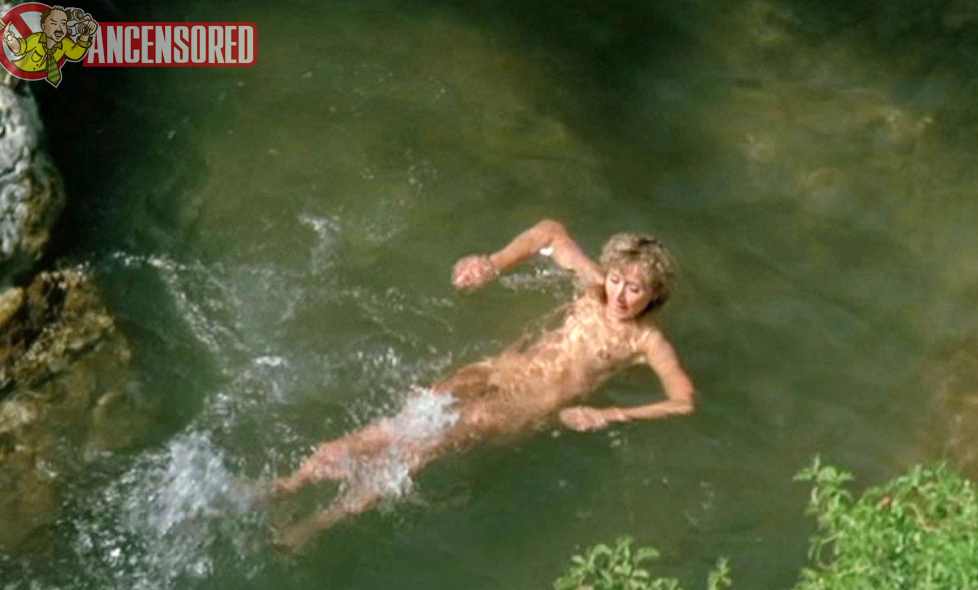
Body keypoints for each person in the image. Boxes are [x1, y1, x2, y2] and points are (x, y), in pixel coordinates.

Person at [273, 219, 695, 549]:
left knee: (416, 450)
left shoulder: (646, 341)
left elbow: (683, 400)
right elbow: (549, 233)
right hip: (496, 371)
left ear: (654, 295)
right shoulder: (594, 287)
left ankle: (315, 525)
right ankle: (292, 482)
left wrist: (610, 414)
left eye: (634, 289)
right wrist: (491, 264)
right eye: (616, 280)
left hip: (520, 408)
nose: (618, 295)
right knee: (401, 423)